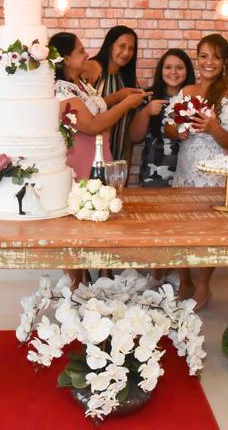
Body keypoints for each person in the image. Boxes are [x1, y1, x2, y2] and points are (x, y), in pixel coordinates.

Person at [50, 31, 147, 287]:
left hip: (98, 155)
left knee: (101, 214)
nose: (87, 54)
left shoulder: (80, 84)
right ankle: (77, 283)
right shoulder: (61, 90)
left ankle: (103, 277)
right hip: (80, 159)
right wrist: (126, 105)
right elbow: (91, 125)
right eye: (81, 51)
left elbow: (93, 105)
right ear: (66, 59)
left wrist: (119, 95)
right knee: (78, 222)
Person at [164, 34, 228, 309]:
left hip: (213, 170)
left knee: (210, 231)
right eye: (203, 56)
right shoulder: (186, 90)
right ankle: (185, 281)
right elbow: (168, 126)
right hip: (186, 168)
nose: (209, 62)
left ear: (224, 62)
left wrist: (212, 127)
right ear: (197, 59)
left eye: (216, 57)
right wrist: (179, 131)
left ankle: (202, 285)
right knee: (181, 228)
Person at [129, 48, 195, 187]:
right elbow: (135, 137)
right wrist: (146, 112)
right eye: (168, 67)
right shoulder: (148, 97)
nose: (173, 72)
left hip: (188, 175)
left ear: (187, 71)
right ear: (161, 70)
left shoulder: (195, 100)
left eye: (179, 68)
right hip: (153, 177)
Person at [85, 26, 140, 167]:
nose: (126, 53)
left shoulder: (128, 79)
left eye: (131, 48)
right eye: (122, 46)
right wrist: (118, 97)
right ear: (110, 46)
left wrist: (126, 163)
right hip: (91, 155)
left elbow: (128, 129)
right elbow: (83, 113)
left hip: (117, 156)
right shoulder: (92, 68)